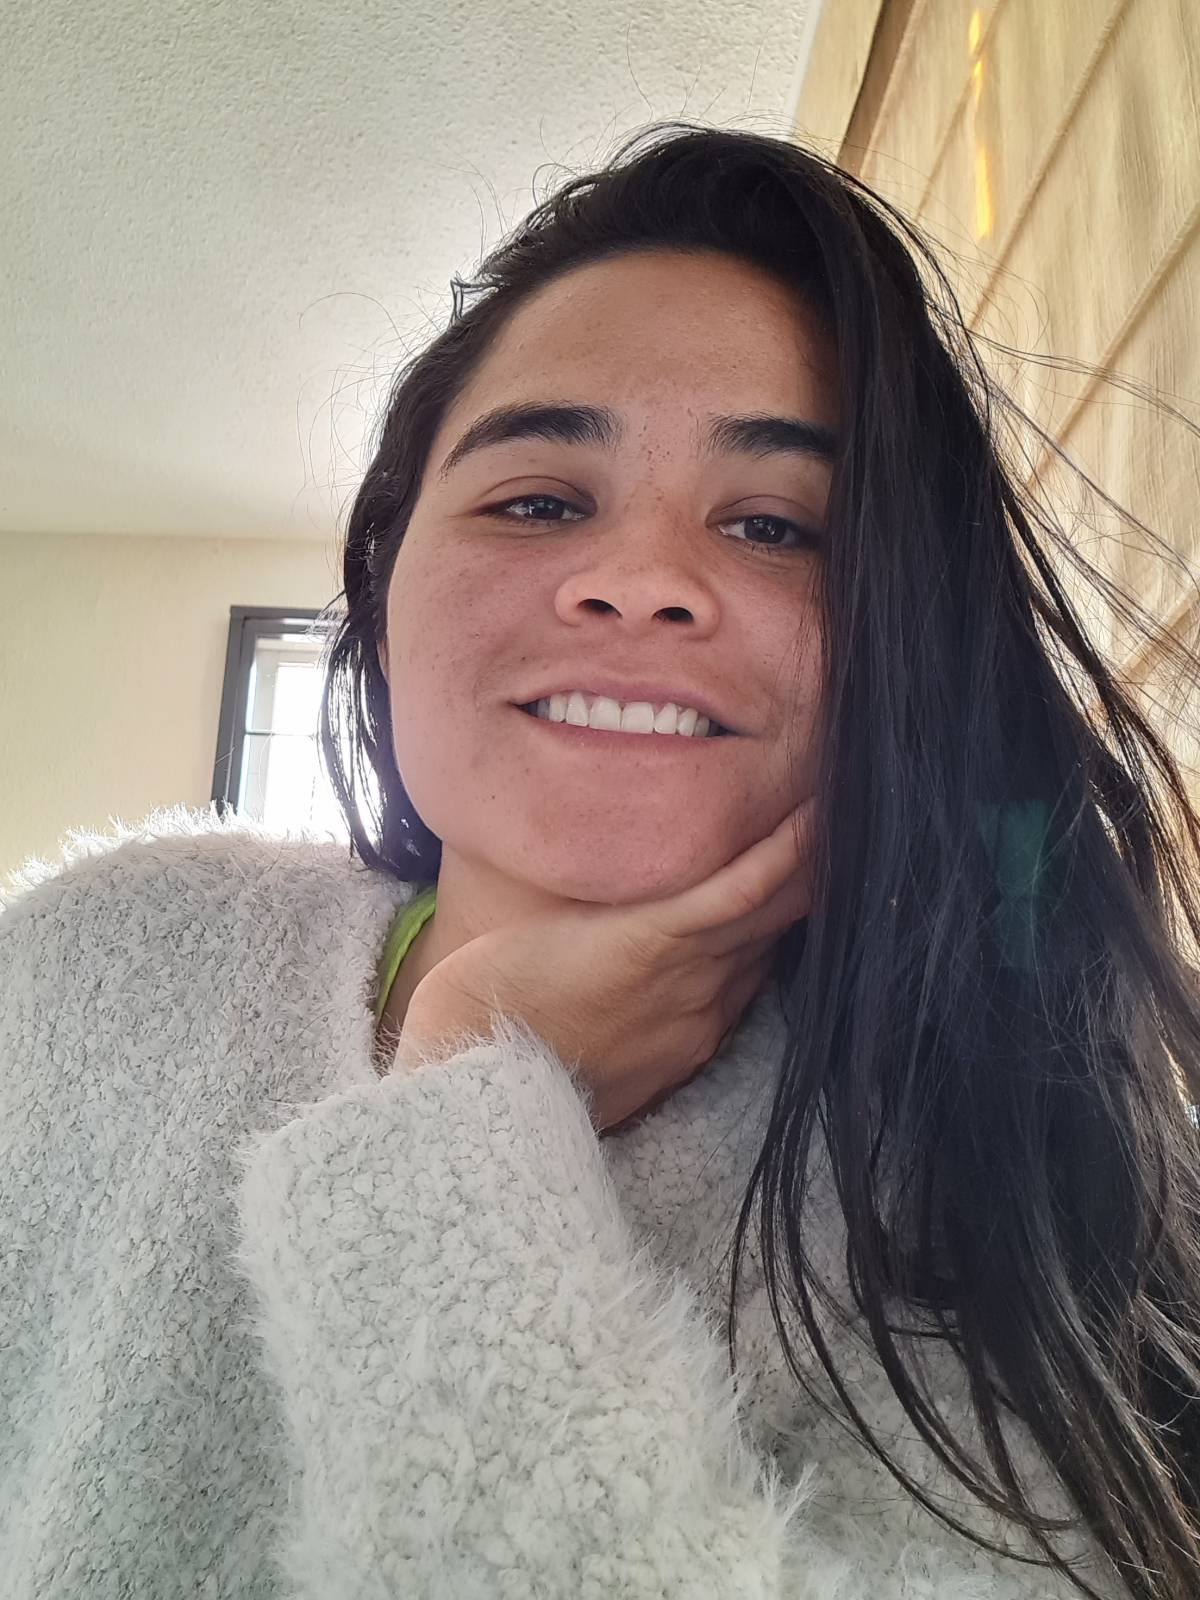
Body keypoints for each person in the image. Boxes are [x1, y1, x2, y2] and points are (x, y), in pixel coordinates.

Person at [3, 121, 1199, 1600]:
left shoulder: (1015, 1165)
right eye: (538, 502)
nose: (638, 581)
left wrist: (467, 1090)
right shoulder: (87, 958)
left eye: (775, 526)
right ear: (382, 585)